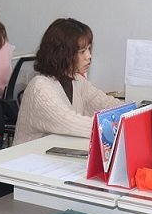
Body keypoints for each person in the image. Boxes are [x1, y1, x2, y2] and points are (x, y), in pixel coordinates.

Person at [12, 18, 122, 146]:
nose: (89, 56)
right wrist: (116, 126)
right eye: (82, 52)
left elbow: (104, 102)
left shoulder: (77, 80)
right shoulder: (40, 88)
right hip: (29, 156)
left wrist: (134, 111)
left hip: (55, 152)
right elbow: (71, 123)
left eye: (89, 49)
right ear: (63, 54)